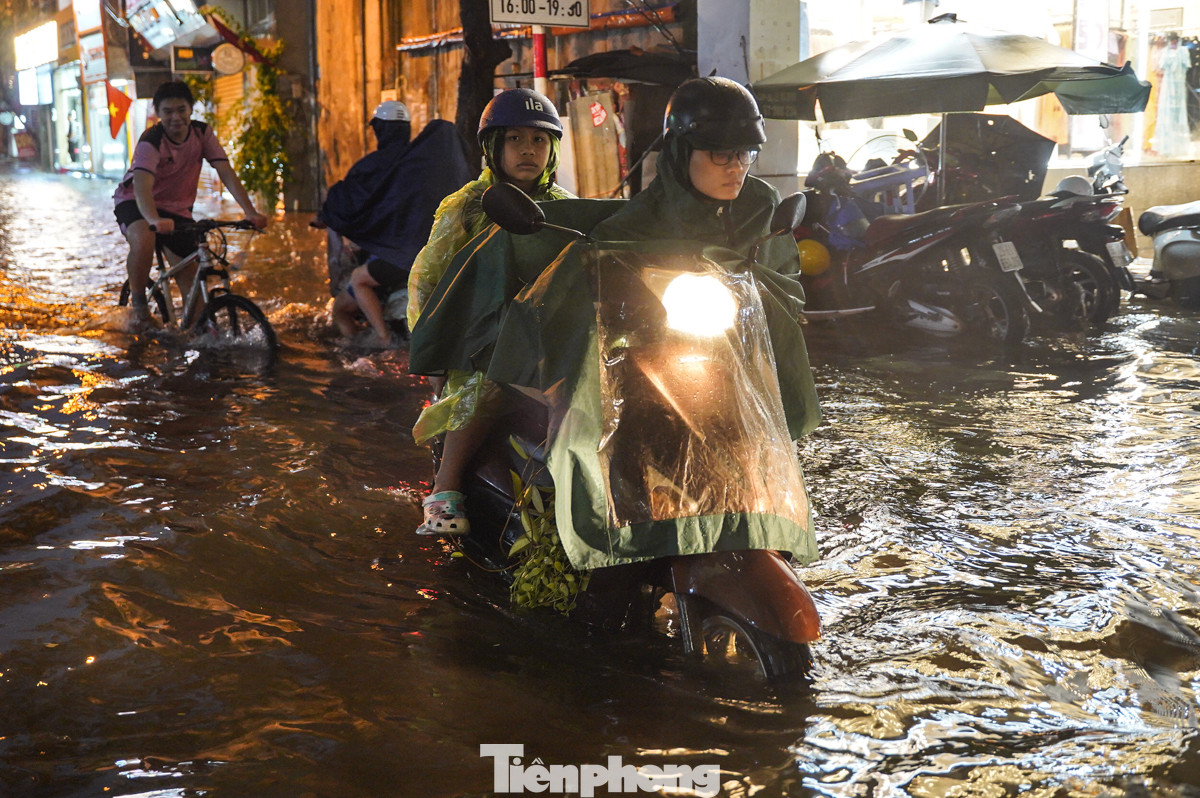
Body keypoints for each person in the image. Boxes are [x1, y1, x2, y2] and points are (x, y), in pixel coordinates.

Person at [408, 87, 573, 536]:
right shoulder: (465, 206)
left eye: (539, 141)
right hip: (480, 340)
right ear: (493, 147)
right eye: (516, 139)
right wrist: (435, 355)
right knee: (480, 390)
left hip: (545, 339)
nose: (528, 150)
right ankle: (445, 491)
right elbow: (428, 278)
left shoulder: (564, 208)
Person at [316, 100, 473, 347]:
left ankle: (381, 339)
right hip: (432, 254)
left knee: (348, 296)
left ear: (378, 129)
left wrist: (325, 214)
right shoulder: (425, 165)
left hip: (397, 257)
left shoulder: (370, 167)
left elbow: (345, 200)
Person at [113, 81, 268, 325]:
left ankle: (196, 332)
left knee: (192, 277)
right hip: (136, 202)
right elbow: (142, 187)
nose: (176, 117)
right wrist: (153, 219)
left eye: (181, 110)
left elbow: (225, 171)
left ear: (191, 109)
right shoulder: (151, 140)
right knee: (144, 238)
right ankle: (139, 305)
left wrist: (250, 211)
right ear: (158, 113)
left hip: (176, 209)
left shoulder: (202, 133)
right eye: (168, 112)